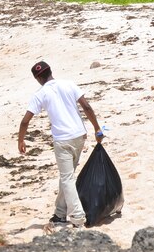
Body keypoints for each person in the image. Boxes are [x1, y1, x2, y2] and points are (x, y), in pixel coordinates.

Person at [17, 60, 103, 230]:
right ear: (50, 71)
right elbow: (86, 107)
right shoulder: (69, 84)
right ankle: (59, 214)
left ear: (38, 78)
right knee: (68, 176)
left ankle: (78, 217)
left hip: (63, 141)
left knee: (67, 178)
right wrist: (97, 128)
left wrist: (21, 140)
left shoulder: (40, 94)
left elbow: (25, 122)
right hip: (79, 136)